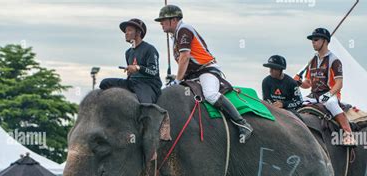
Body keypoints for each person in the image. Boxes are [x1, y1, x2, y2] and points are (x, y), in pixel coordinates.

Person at [155, 4, 253, 142]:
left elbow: (185, 57)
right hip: (193, 75)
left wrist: (177, 79)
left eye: (163, 20)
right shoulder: (175, 36)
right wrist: (174, 78)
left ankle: (243, 124)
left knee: (210, 95)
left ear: (174, 20)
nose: (161, 23)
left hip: (207, 70)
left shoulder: (183, 29)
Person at [299, 28, 356, 146]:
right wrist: (298, 83)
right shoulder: (312, 61)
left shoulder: (334, 60)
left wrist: (328, 95)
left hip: (330, 94)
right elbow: (308, 83)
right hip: (314, 95)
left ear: (325, 41)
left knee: (330, 104)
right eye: (312, 40)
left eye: (316, 39)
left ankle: (348, 134)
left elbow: (339, 84)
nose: (313, 42)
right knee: (297, 102)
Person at [100, 18, 162, 103]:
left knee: (145, 104)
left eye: (129, 30)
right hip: (132, 83)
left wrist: (138, 68)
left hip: (148, 84)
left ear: (139, 33)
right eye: (125, 31)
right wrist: (130, 73)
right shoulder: (128, 52)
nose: (126, 33)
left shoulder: (150, 49)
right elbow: (131, 73)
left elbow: (154, 71)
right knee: (104, 83)